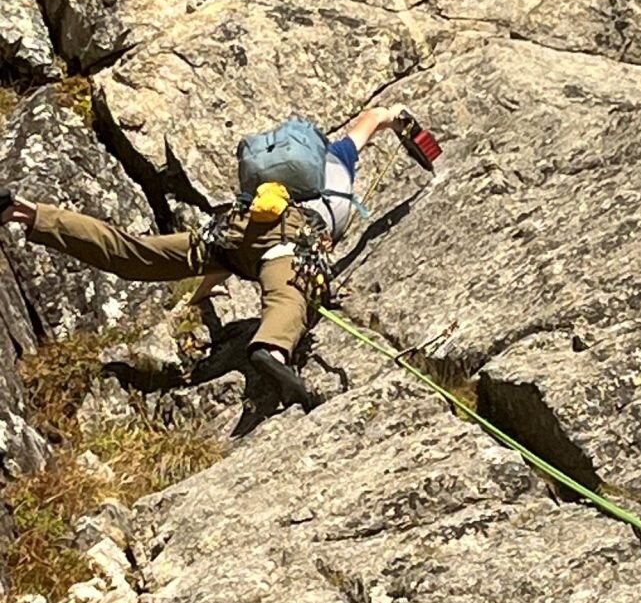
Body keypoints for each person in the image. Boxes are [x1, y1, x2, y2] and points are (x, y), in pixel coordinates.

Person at [0, 104, 406, 411]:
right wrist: (393, 116)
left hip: (231, 233)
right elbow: (368, 122)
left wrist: (200, 298)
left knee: (133, 252)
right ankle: (273, 350)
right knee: (289, 297)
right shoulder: (338, 164)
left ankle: (27, 212)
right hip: (289, 239)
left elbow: (231, 260)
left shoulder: (279, 178)